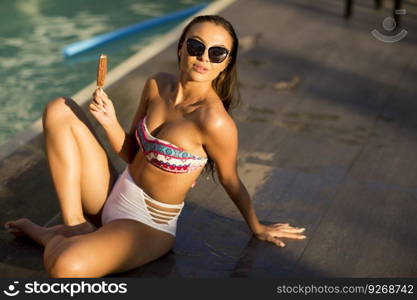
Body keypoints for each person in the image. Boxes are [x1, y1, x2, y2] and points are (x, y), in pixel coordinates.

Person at [4, 15, 306, 278]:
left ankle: (46, 235)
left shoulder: (214, 122)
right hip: (113, 195)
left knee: (63, 267)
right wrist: (109, 122)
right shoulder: (157, 84)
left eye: (217, 53)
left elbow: (230, 180)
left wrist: (257, 227)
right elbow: (132, 154)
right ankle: (73, 226)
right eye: (196, 47)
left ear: (227, 63)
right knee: (59, 108)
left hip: (147, 226)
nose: (203, 59)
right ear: (181, 47)